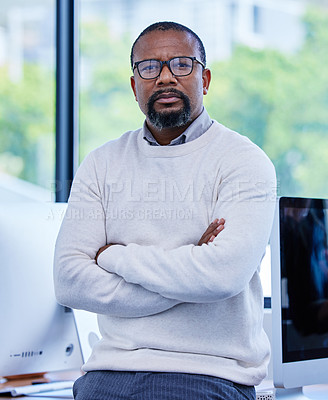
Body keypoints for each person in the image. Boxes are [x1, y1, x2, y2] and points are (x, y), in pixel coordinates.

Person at [54, 21, 276, 400]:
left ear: (205, 79)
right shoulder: (101, 163)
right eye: (150, 67)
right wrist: (192, 262)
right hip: (107, 375)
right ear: (134, 85)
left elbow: (222, 277)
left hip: (210, 376)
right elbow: (69, 281)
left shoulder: (245, 162)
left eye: (181, 64)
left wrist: (115, 256)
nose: (165, 78)